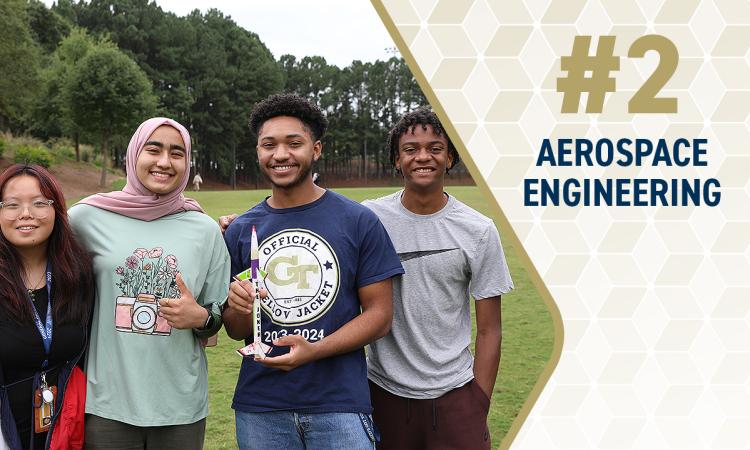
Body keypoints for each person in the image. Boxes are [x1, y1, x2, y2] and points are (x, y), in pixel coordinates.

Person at [222, 93, 404, 450]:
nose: (280, 155)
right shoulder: (242, 230)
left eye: (294, 143)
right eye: (268, 145)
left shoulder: (357, 220)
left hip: (339, 405)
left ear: (316, 149)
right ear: (258, 152)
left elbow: (381, 315)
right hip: (261, 406)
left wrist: (315, 349)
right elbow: (234, 329)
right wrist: (240, 308)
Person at [67, 118, 230, 450]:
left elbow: (215, 317)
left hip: (181, 406)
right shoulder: (86, 218)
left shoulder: (203, 229)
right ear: (133, 154)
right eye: (153, 149)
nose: (164, 162)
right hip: (106, 404)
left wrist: (199, 318)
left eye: (177, 153)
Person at [364, 107, 514, 449]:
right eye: (411, 149)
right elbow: (315, 225)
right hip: (383, 394)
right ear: (396, 160)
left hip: (456, 396)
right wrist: (239, 224)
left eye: (435, 148)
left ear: (450, 158)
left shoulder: (478, 230)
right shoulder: (370, 219)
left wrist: (479, 400)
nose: (423, 157)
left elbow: (491, 328)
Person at [0, 164, 94, 449]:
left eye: (39, 203)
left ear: (57, 210)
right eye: (12, 205)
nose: (26, 214)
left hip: (66, 428)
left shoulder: (78, 275)